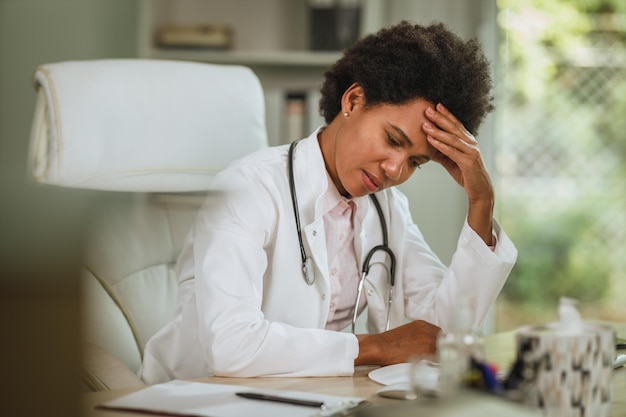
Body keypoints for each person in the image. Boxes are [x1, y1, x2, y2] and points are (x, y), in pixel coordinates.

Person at [140, 21, 517, 383]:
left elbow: (439, 337)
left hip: (298, 400)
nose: (395, 170)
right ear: (353, 100)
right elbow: (230, 346)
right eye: (392, 140)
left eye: (416, 162)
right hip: (191, 397)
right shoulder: (250, 187)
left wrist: (480, 203)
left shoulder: (387, 211)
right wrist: (376, 347)